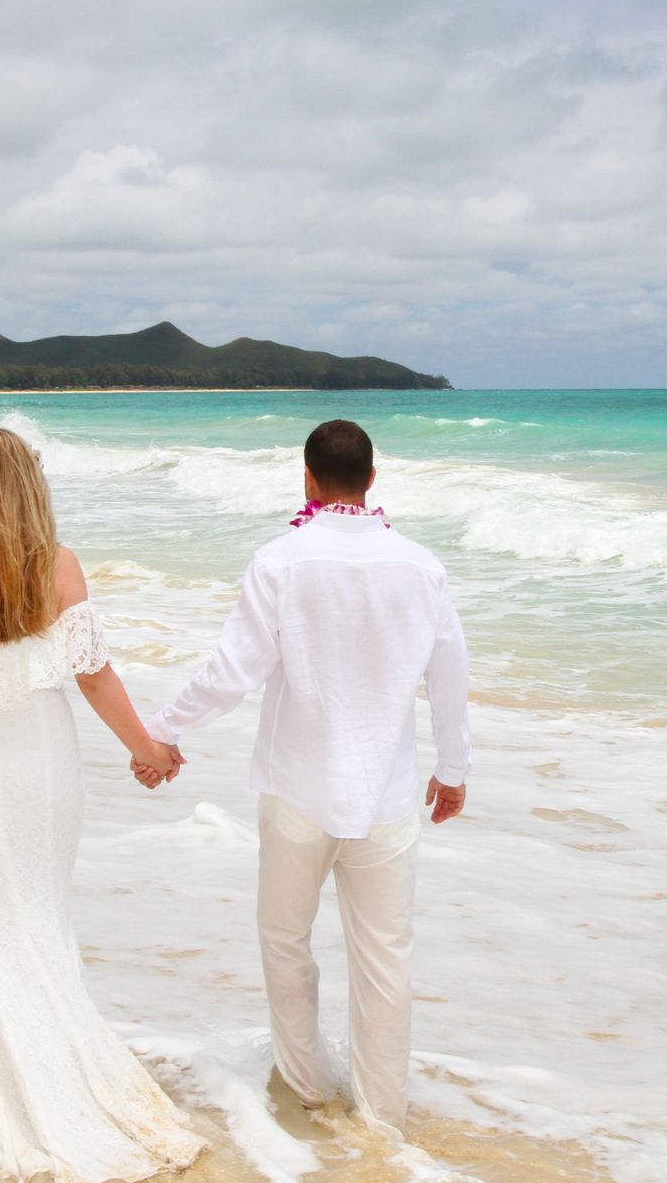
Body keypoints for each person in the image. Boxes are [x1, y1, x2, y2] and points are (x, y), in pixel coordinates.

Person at [0, 425, 202, 1183]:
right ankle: (55, 1068)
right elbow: (93, 675)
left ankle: (5, 1088)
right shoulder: (57, 567)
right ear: (30, 489)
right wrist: (146, 747)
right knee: (37, 913)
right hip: (42, 762)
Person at [139, 419, 471, 1137]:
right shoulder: (421, 567)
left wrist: (161, 731)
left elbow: (232, 673)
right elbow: (449, 677)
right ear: (373, 479)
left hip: (298, 789)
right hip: (386, 794)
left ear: (308, 480)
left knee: (286, 939)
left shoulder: (281, 560)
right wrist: (454, 770)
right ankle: (383, 1117)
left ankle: (310, 1088)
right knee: (386, 958)